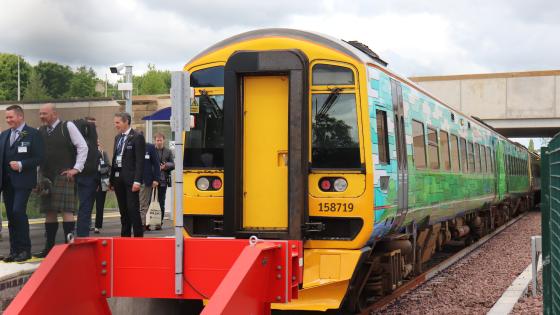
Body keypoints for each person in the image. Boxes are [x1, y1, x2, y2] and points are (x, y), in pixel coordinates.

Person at [35, 103, 88, 258]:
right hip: (46, 175)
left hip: (64, 174)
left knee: (67, 211)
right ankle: (49, 247)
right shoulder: (41, 131)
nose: (41, 117)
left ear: (54, 114)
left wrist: (76, 168)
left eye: (44, 113)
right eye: (40, 114)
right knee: (49, 211)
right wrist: (36, 177)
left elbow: (83, 147)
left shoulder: (67, 127)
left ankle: (69, 246)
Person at [0, 105, 44, 262]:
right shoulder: (4, 135)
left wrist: (21, 164)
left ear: (20, 116)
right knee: (11, 216)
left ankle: (25, 250)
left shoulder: (33, 134)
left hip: (23, 181)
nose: (8, 120)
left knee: (18, 211)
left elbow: (39, 158)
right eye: (6, 117)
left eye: (11, 117)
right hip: (6, 183)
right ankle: (14, 251)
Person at [110, 112, 145, 237]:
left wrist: (137, 181)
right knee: (123, 211)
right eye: (115, 123)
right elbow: (115, 159)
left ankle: (138, 237)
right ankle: (124, 237)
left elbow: (140, 161)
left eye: (118, 122)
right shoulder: (117, 138)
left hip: (131, 181)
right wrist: (112, 181)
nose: (116, 125)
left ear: (126, 122)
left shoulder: (137, 137)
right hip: (118, 179)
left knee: (132, 209)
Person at [75, 116, 99, 237]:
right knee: (85, 207)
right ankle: (82, 234)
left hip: (77, 175)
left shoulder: (76, 140)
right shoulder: (90, 142)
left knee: (80, 207)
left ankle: (77, 233)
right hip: (88, 176)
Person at [154, 133, 174, 228]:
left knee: (161, 201)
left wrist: (165, 166)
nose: (159, 142)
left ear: (164, 140)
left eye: (160, 140)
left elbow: (173, 164)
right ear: (155, 141)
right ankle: (149, 221)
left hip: (163, 180)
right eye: (157, 140)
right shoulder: (151, 150)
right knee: (150, 201)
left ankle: (159, 223)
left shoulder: (168, 151)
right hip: (152, 180)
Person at [139, 141, 160, 229]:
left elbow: (156, 164)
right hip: (132, 180)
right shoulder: (131, 146)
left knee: (143, 203)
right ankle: (139, 223)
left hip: (145, 180)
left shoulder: (150, 147)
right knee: (135, 203)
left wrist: (156, 179)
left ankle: (142, 224)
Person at [93, 140, 111, 233]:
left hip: (101, 182)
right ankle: (87, 224)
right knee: (88, 205)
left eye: (98, 143)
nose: (97, 144)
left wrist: (101, 168)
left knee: (100, 205)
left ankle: (97, 226)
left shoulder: (103, 153)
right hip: (91, 183)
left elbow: (109, 166)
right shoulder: (87, 153)